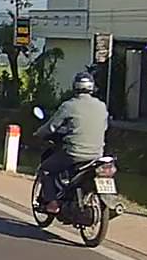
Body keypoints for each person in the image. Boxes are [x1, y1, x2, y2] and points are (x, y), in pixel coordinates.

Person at [35, 71, 109, 214]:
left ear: (75, 86)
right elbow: (104, 127)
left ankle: (52, 203)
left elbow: (51, 127)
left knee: (46, 169)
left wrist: (39, 133)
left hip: (74, 154)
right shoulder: (101, 106)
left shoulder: (69, 106)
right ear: (92, 87)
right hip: (97, 155)